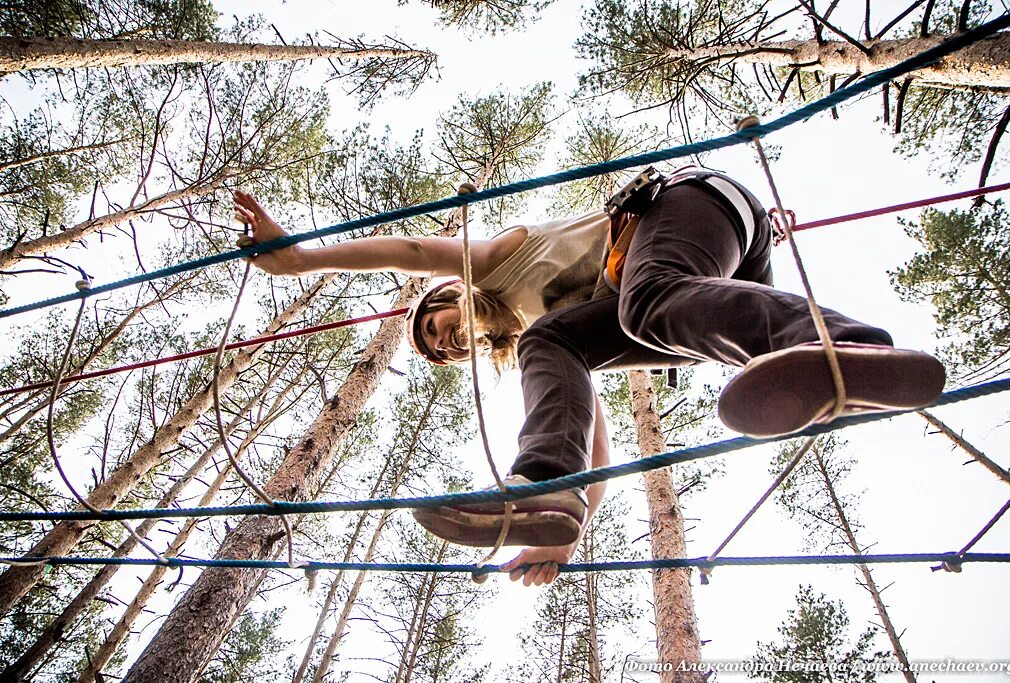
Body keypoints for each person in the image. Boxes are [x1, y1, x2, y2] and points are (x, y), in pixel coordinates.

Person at [233, 166, 945, 587]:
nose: (444, 338)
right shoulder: (545, 339)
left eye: (437, 322)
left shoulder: (505, 261)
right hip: (705, 292)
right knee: (574, 340)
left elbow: (415, 248)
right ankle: (541, 486)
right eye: (440, 349)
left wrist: (303, 258)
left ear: (454, 293)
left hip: (689, 208)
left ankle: (851, 347)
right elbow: (596, 444)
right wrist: (569, 525)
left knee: (648, 302)